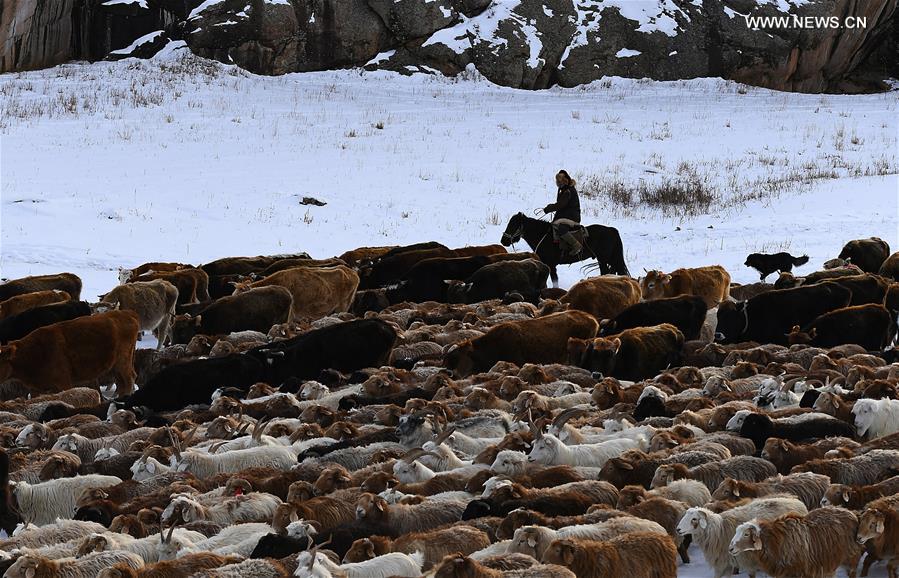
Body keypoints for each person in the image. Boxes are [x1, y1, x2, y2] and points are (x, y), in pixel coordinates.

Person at [543, 170, 582, 256]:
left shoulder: (568, 191)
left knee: (558, 227)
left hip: (572, 217)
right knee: (553, 224)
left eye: (559, 181)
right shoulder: (563, 189)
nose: (558, 183)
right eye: (557, 181)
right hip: (566, 215)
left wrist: (549, 208)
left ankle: (576, 245)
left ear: (564, 180)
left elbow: (560, 205)